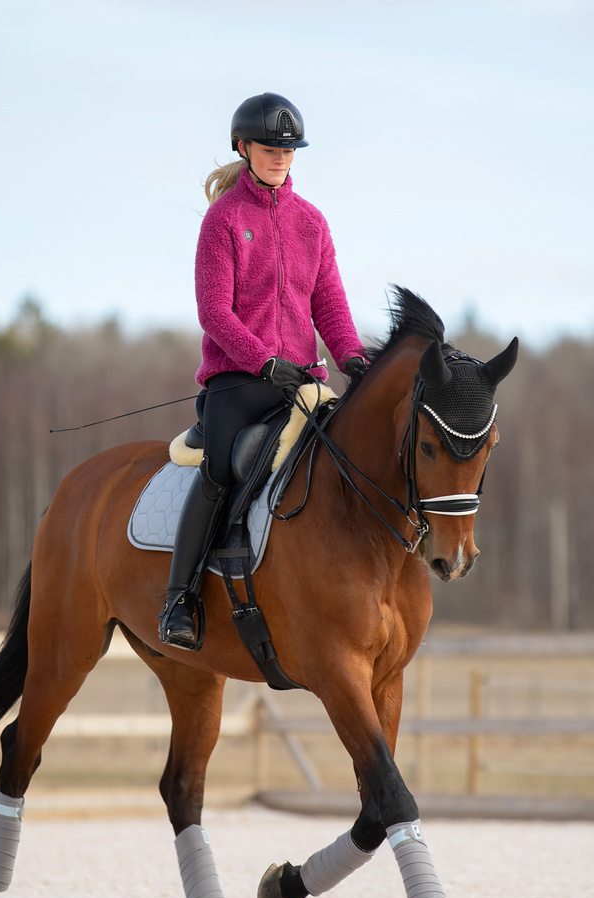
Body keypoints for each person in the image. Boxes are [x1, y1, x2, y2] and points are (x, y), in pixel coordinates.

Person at [159, 92, 368, 649]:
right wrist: (263, 361)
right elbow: (214, 312)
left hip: (301, 383)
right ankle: (179, 598)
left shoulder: (312, 224)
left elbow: (331, 309)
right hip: (238, 382)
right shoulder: (223, 219)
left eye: (289, 149)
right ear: (244, 147)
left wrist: (353, 362)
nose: (281, 157)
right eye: (270, 147)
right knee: (221, 470)